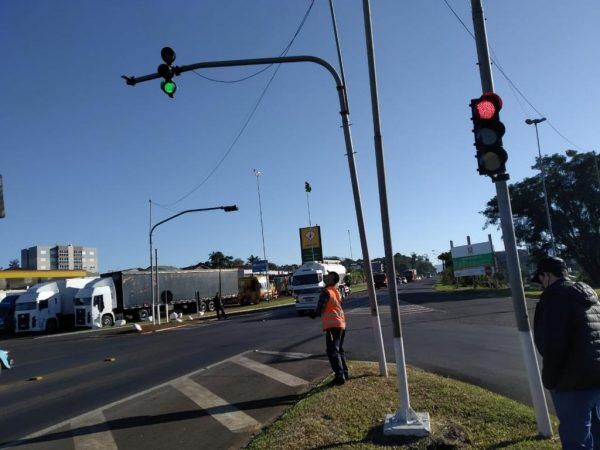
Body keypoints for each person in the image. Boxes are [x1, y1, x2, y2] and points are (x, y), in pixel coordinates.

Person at [531, 256, 600, 449]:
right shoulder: (588, 294)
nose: (541, 285)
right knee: (596, 432)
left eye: (540, 279)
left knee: (576, 440)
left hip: (572, 383)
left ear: (547, 275)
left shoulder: (555, 298)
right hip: (596, 377)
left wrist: (550, 380)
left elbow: (554, 345)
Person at [315, 272, 348, 386]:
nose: (326, 276)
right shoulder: (336, 291)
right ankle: (344, 373)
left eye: (328, 276)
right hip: (341, 324)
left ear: (332, 279)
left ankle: (340, 376)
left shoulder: (326, 292)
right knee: (339, 349)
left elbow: (320, 308)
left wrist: (314, 313)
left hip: (332, 326)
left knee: (332, 351)